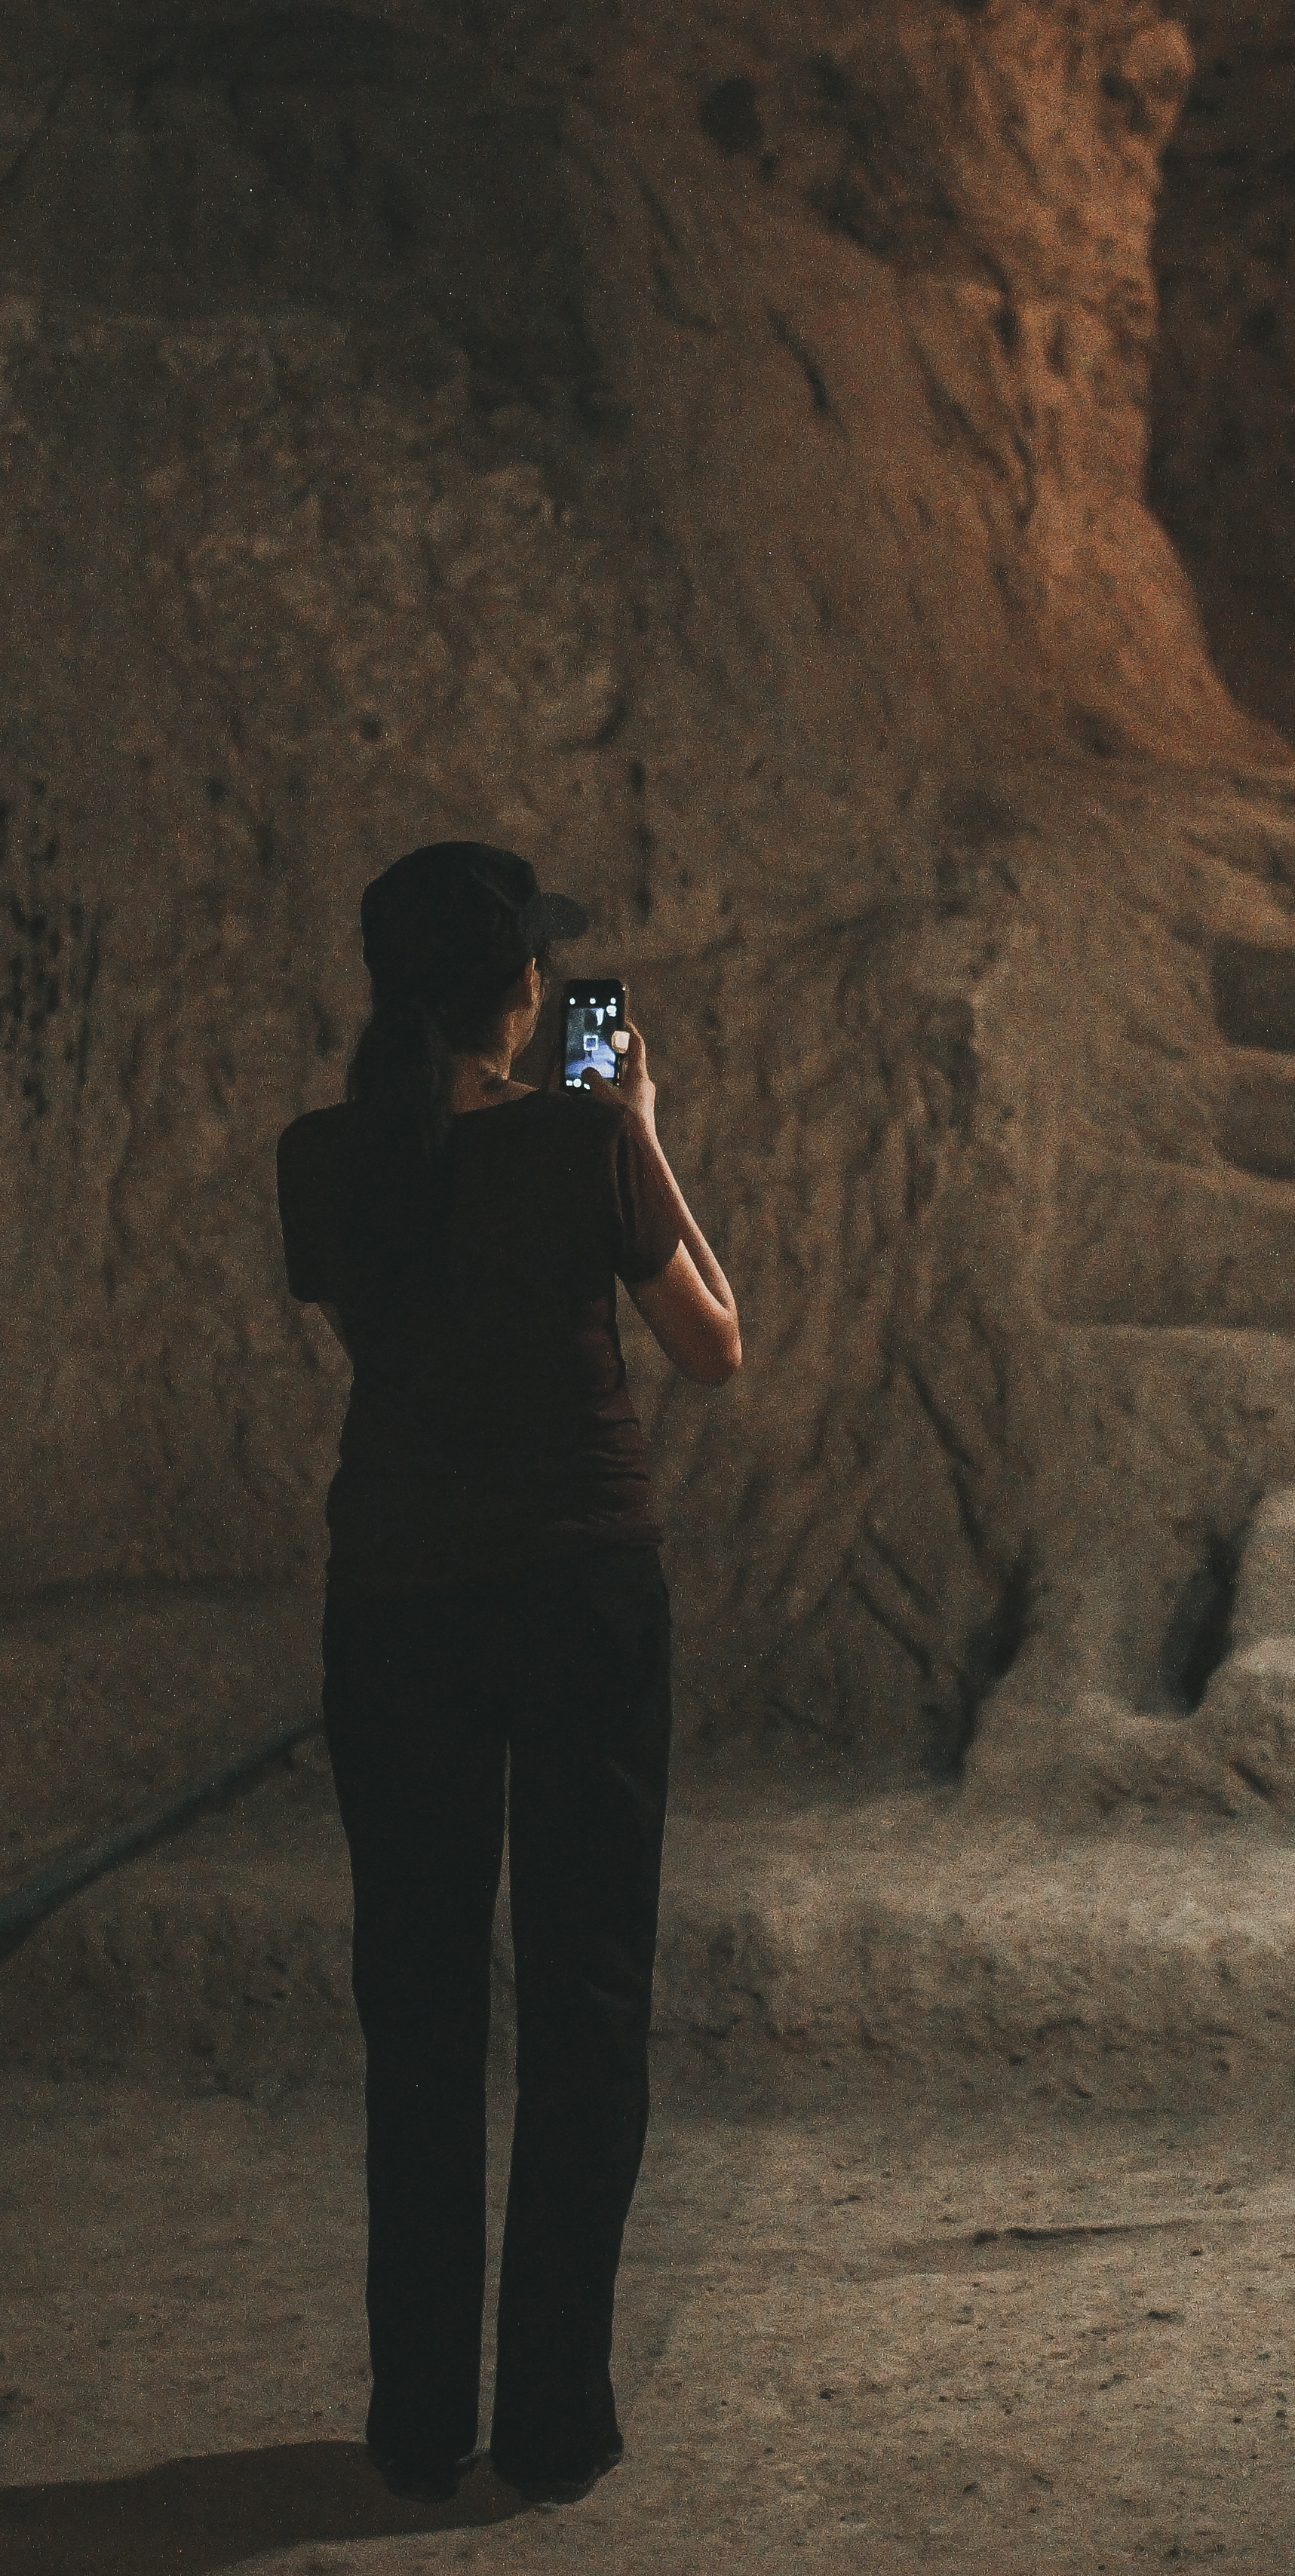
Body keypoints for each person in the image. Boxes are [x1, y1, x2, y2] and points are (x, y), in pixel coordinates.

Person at [275, 840, 740, 2510]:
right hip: (580, 1603)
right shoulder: (579, 1139)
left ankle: (415, 2420)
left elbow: (405, 1334)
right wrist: (637, 1129)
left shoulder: (322, 1161)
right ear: (524, 994)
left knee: (416, 2009)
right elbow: (716, 1339)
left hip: (395, 1613)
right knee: (584, 1997)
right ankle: (549, 2417)